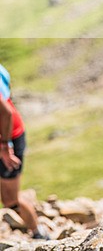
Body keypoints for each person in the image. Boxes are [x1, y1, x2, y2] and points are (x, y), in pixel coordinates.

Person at [0, 63, 49, 240]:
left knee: (11, 200)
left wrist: (5, 146)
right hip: (8, 135)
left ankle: (39, 234)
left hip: (8, 140)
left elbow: (6, 113)